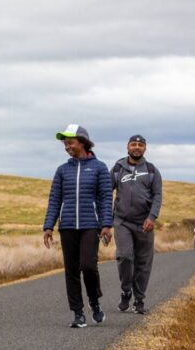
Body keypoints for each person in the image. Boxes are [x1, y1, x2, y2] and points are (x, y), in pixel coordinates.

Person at [43, 124, 113, 328]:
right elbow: (54, 199)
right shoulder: (62, 170)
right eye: (65, 143)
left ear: (82, 142)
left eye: (70, 142)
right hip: (67, 226)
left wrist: (106, 224)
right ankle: (78, 313)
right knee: (71, 270)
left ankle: (94, 301)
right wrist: (49, 226)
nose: (67, 146)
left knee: (88, 266)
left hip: (91, 225)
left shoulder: (99, 168)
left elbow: (105, 198)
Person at [110, 134, 162, 314]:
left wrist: (152, 217)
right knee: (124, 256)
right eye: (134, 144)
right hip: (122, 221)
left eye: (140, 145)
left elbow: (157, 196)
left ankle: (139, 300)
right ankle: (126, 290)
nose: (137, 147)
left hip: (144, 223)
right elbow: (106, 191)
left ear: (145, 148)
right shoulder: (118, 168)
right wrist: (107, 219)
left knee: (143, 262)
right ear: (127, 147)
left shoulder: (151, 170)